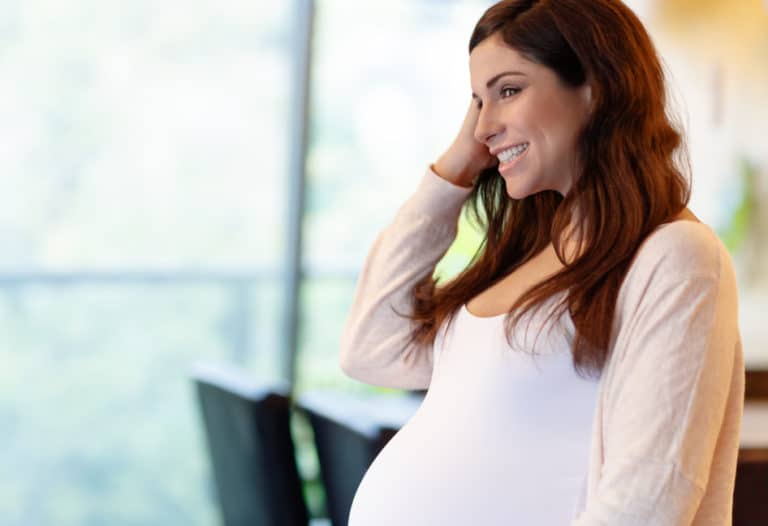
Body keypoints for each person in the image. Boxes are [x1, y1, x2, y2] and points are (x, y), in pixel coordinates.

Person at [339, 0, 744, 524]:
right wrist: (453, 171)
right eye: (476, 102)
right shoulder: (527, 252)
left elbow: (649, 498)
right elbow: (371, 350)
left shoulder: (675, 256)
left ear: (597, 88)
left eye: (508, 90)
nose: (482, 126)